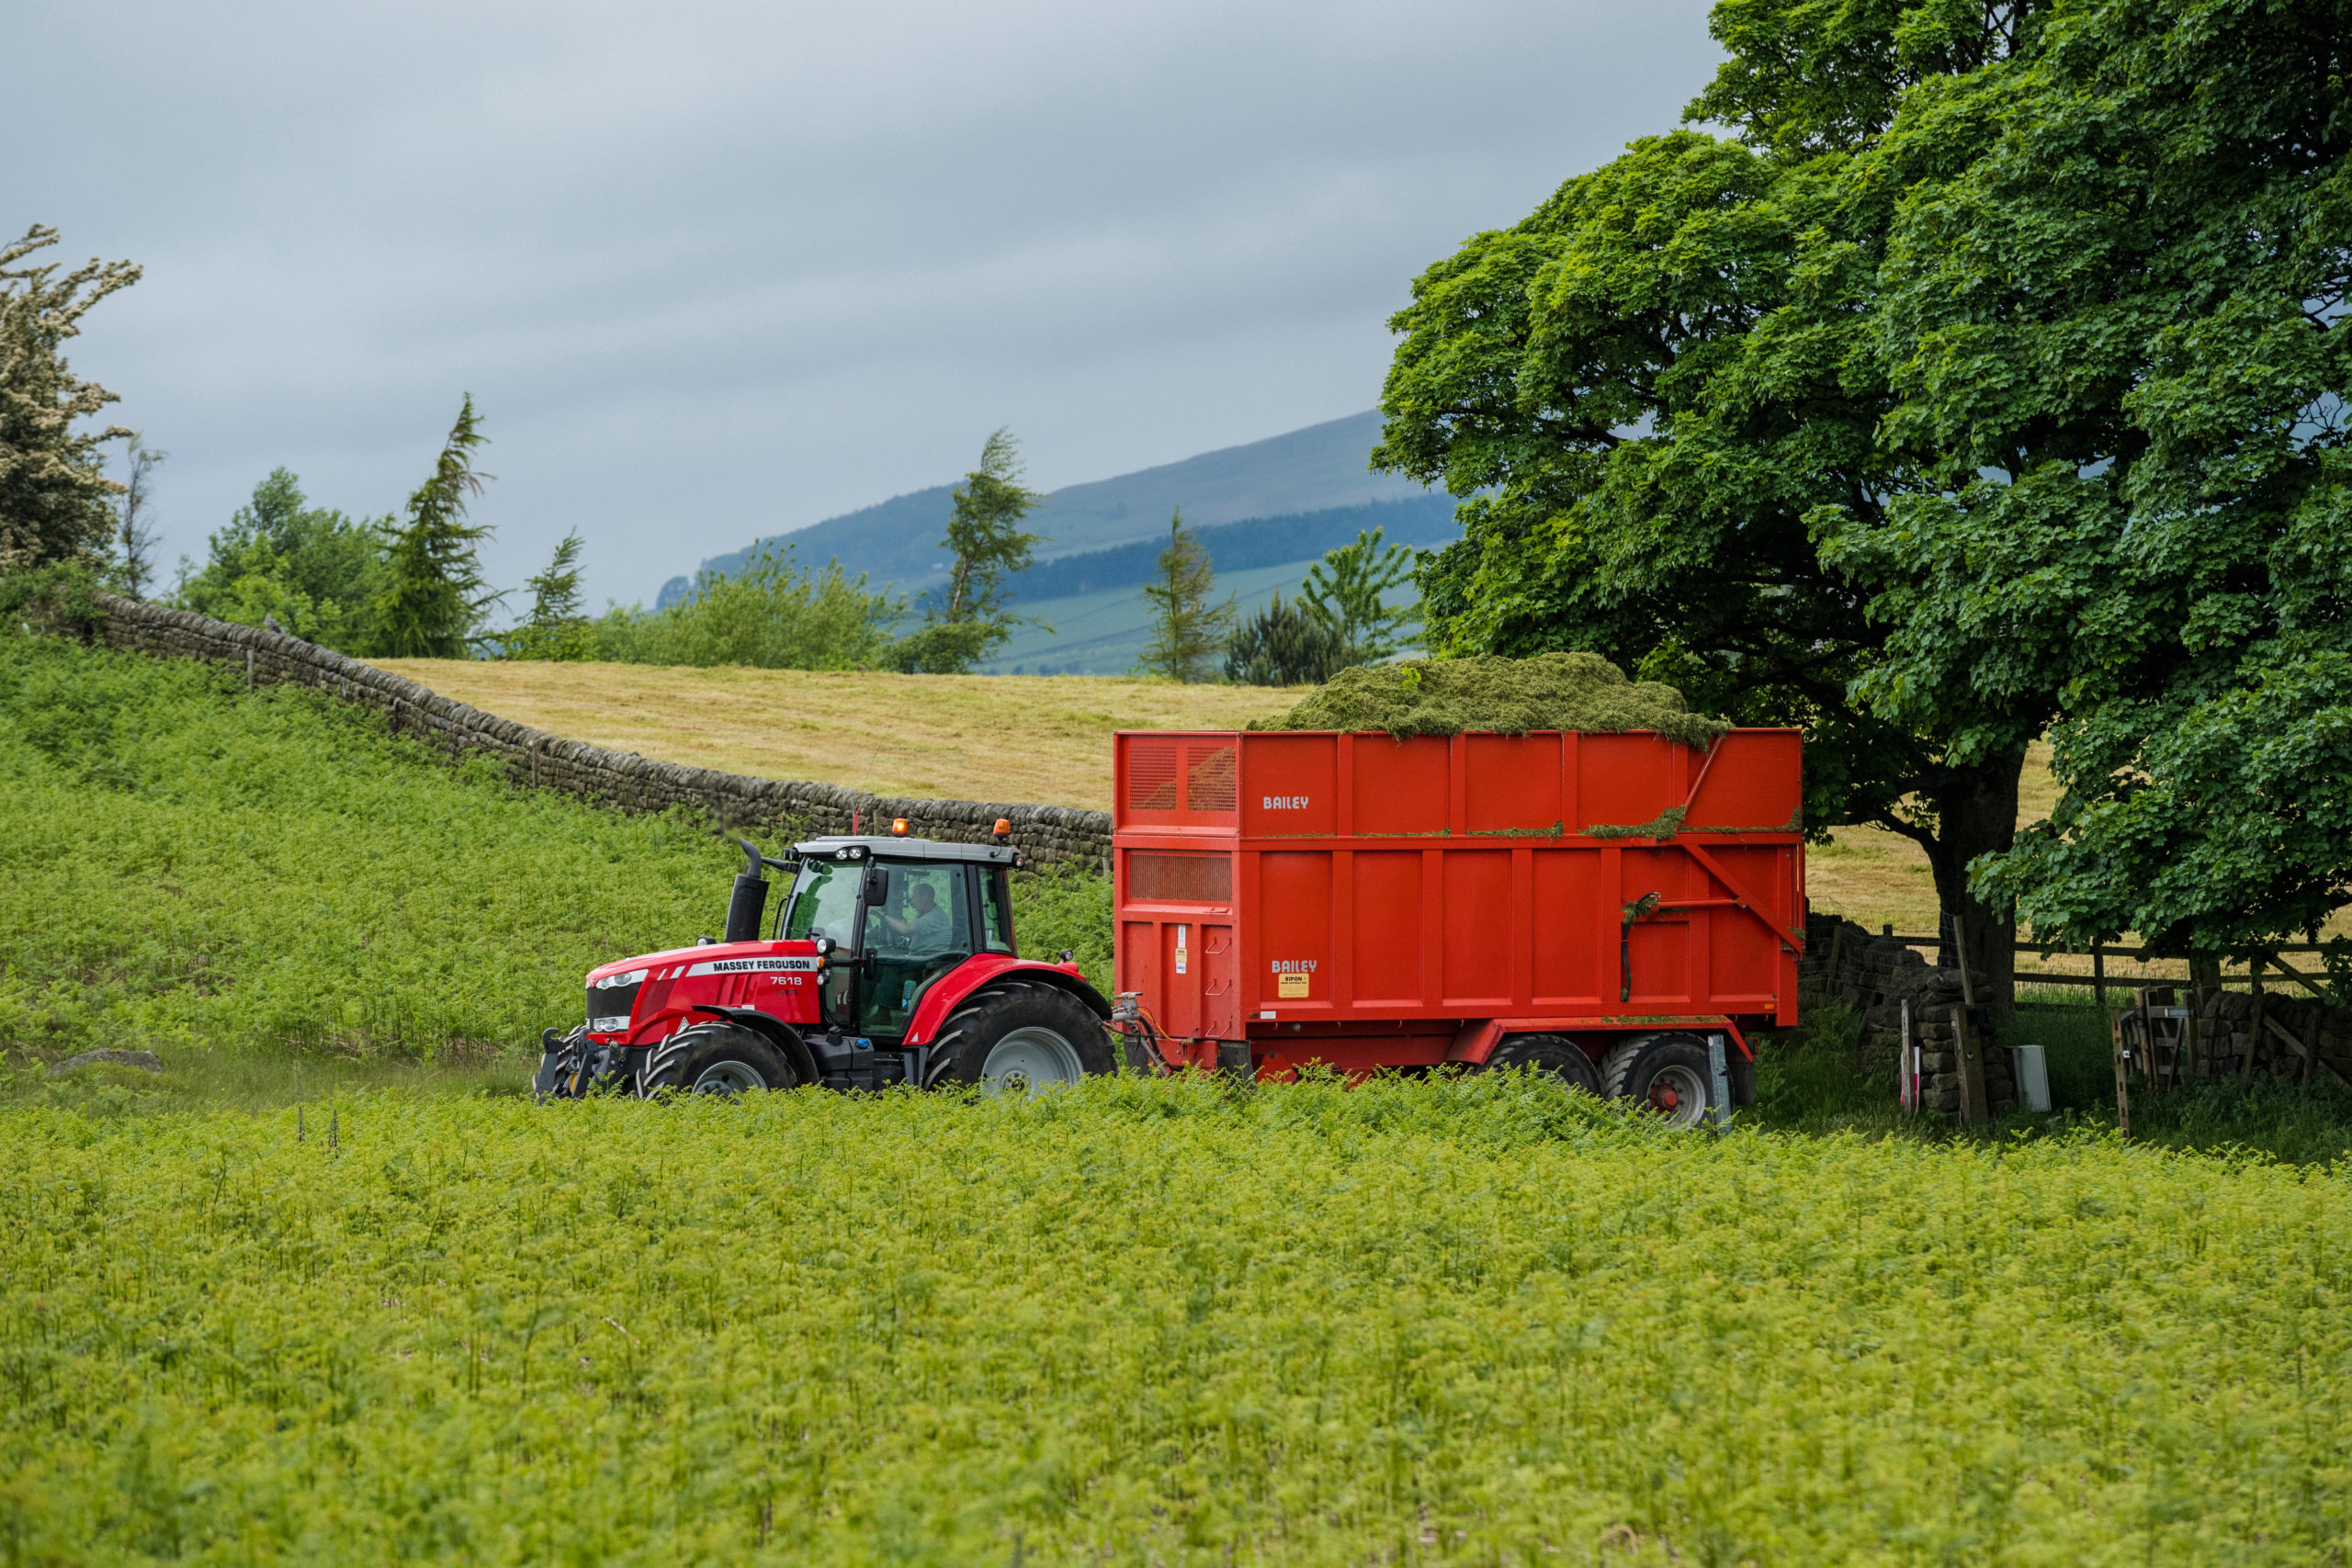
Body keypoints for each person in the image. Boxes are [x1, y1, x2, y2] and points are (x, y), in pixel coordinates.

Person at [877, 878, 952, 956]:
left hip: (927, 960)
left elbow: (906, 929)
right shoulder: (923, 913)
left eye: (914, 897)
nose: (912, 902)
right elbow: (912, 932)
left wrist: (882, 915)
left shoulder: (934, 917)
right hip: (921, 955)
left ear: (925, 897)